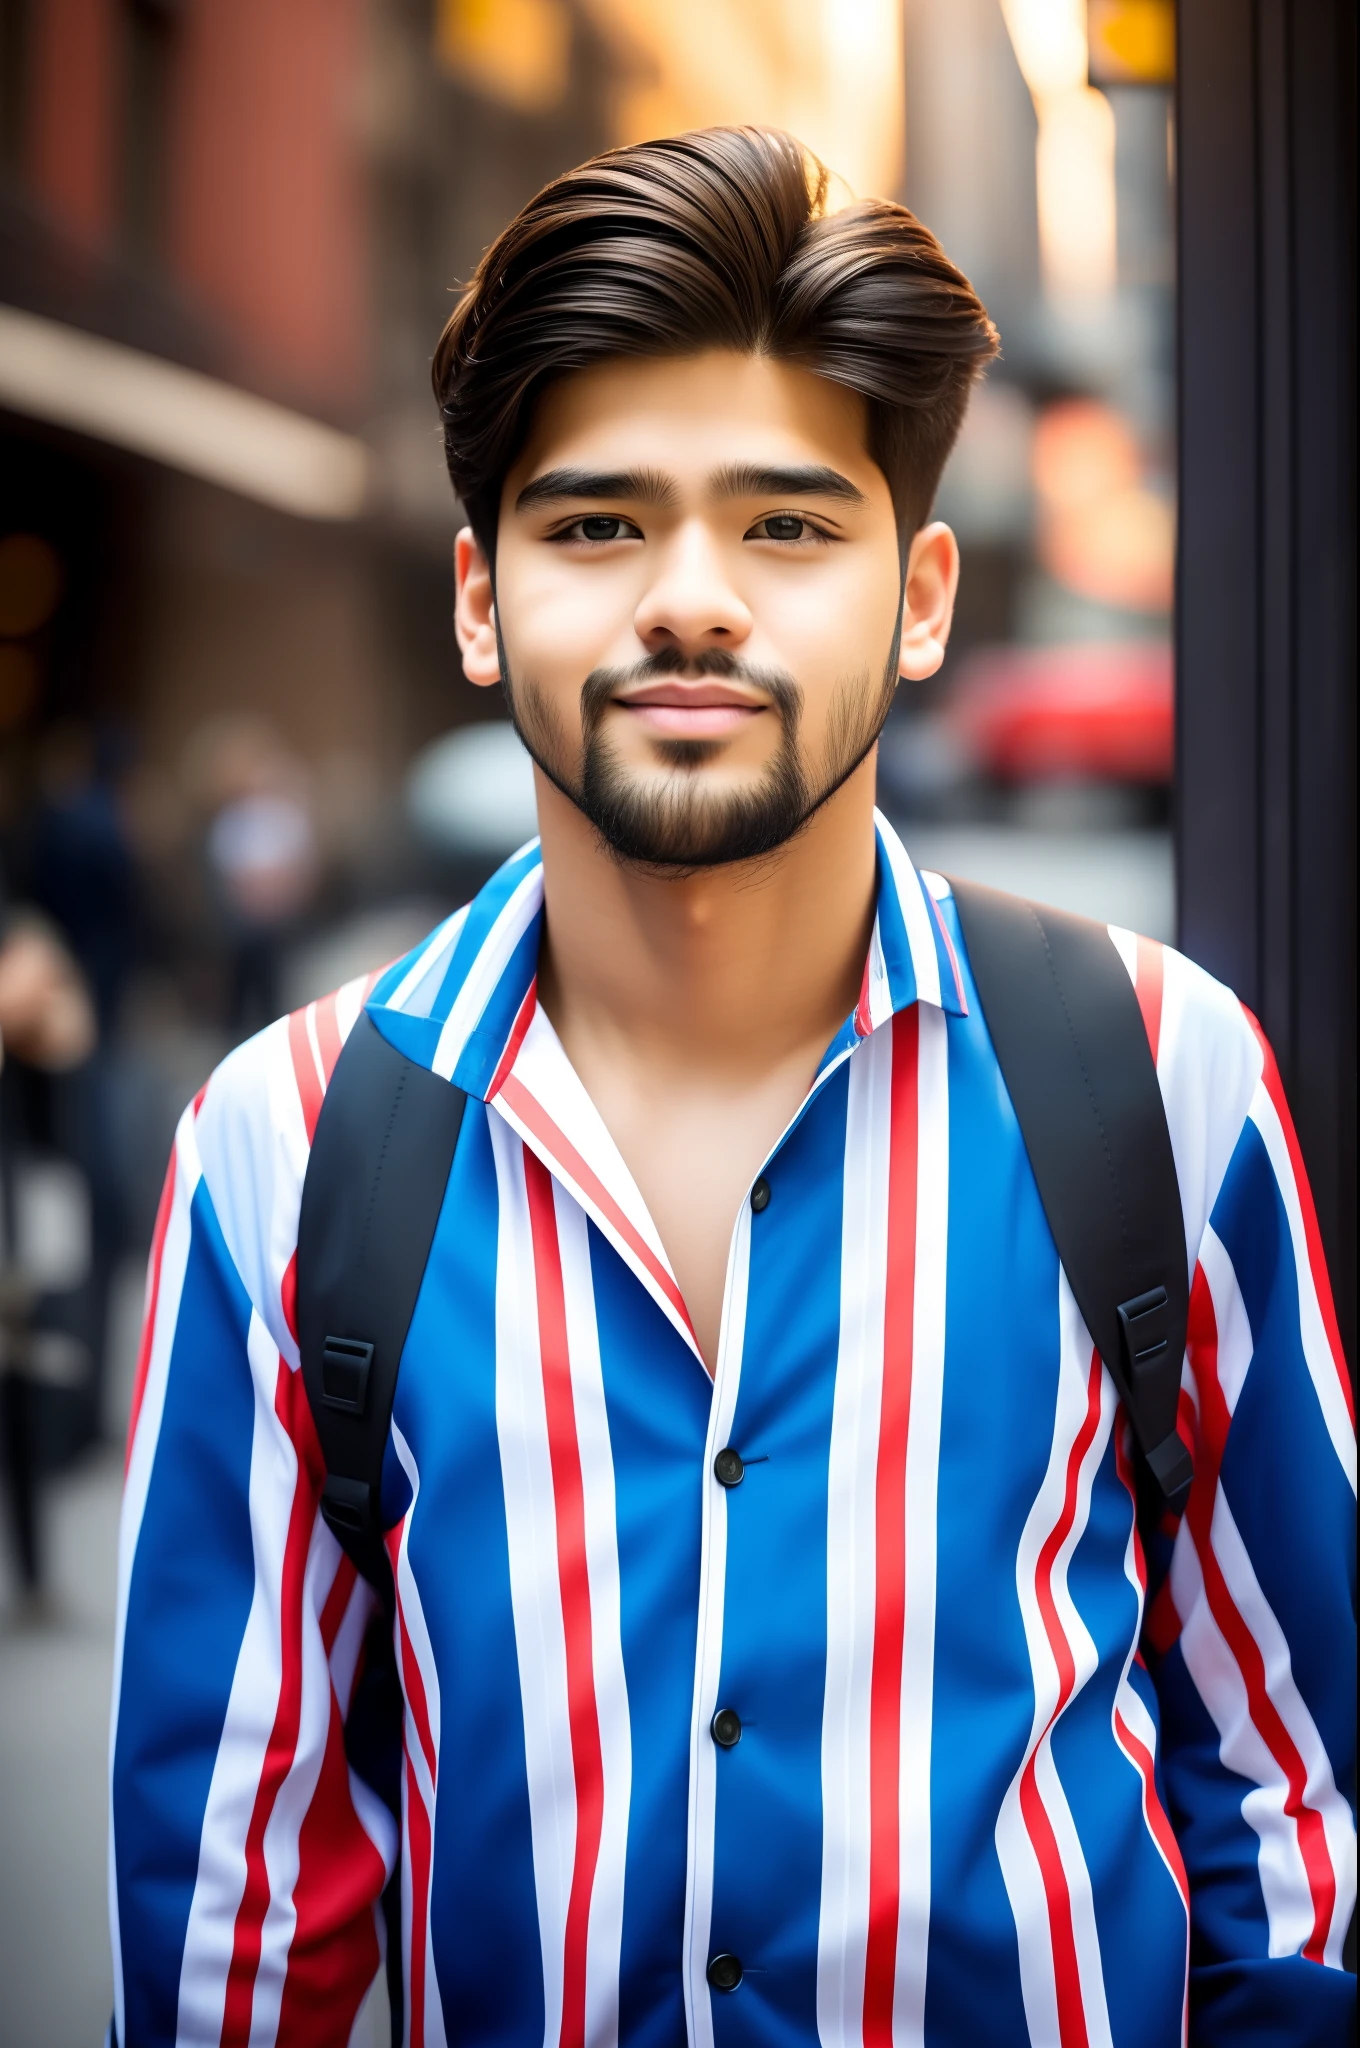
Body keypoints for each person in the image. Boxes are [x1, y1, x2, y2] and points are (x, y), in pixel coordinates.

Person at [108, 129, 1354, 2046]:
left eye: (788, 525)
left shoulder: (1160, 1073)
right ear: (477, 598)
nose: (691, 599)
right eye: (597, 525)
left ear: (922, 596)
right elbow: (231, 1911)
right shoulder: (285, 1147)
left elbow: (1296, 1811)